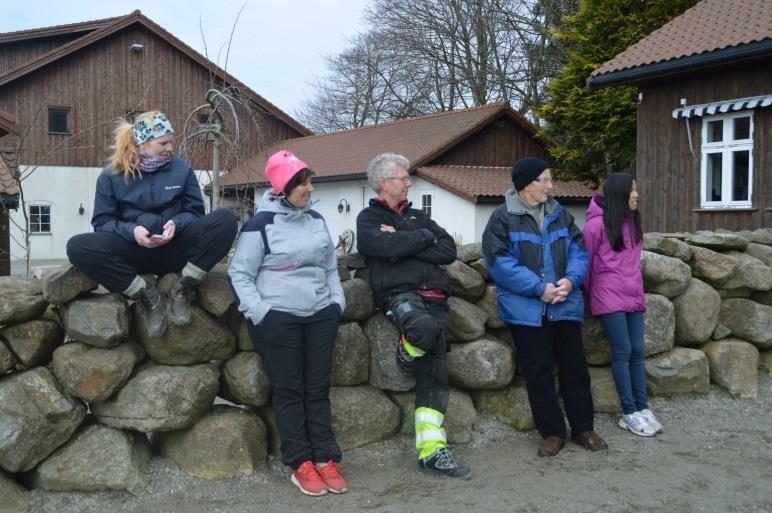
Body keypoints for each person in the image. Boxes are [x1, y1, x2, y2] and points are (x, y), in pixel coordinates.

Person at [228, 150, 347, 497]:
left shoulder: (317, 221)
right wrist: (263, 314)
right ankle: (300, 461)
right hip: (279, 319)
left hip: (320, 315)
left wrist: (336, 303)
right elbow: (239, 274)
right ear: (284, 187)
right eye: (303, 183)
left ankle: (325, 457)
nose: (310, 188)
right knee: (290, 390)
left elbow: (329, 268)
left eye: (310, 181)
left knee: (317, 388)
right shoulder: (259, 225)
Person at [67, 111, 237, 337]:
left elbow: (195, 212)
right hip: (135, 251)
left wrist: (176, 223)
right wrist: (132, 231)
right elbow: (102, 222)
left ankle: (183, 288)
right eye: (163, 143)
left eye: (171, 141)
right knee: (77, 246)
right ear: (142, 143)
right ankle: (146, 296)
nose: (170, 148)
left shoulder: (182, 170)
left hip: (176, 247)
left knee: (226, 219)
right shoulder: (111, 176)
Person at [356, 153, 471, 480]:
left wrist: (402, 239)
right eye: (403, 178)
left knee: (435, 379)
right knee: (425, 328)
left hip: (434, 297)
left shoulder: (418, 215)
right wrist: (422, 239)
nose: (409, 183)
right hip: (399, 295)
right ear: (383, 183)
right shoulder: (367, 218)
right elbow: (382, 248)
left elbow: (448, 250)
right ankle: (409, 348)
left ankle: (431, 452)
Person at [482, 157, 607, 457]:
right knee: (537, 372)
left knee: (575, 368)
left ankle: (583, 428)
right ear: (527, 184)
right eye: (545, 180)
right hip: (527, 310)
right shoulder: (501, 218)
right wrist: (540, 289)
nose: (551, 186)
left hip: (564, 304)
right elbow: (500, 263)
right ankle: (552, 432)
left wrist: (571, 281)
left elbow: (579, 251)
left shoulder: (559, 213)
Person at [583, 172, 662, 437]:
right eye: (632, 191)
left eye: (636, 190)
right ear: (619, 194)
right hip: (608, 296)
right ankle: (629, 413)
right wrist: (590, 292)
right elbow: (585, 264)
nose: (637, 195)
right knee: (623, 349)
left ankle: (643, 407)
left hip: (633, 294)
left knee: (638, 351)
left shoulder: (633, 222)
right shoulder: (595, 226)